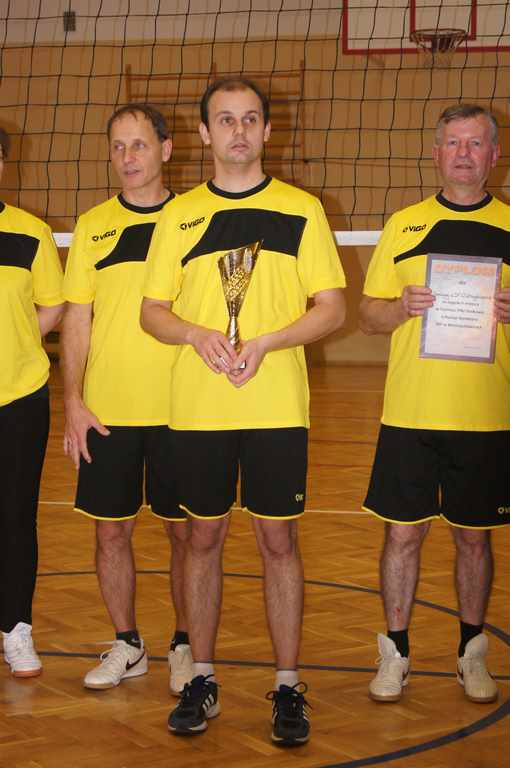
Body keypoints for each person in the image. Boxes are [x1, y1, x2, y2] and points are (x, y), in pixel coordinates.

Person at [140, 77, 346, 745]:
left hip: (276, 405)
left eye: (250, 119)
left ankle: (287, 686)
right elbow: (151, 311)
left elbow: (332, 308)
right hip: (198, 409)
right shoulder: (180, 215)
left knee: (278, 542)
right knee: (202, 540)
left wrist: (268, 343)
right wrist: (195, 334)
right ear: (204, 133)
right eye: (225, 120)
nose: (238, 130)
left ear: (266, 130)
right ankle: (201, 678)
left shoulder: (302, 209)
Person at [359, 104, 510, 705]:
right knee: (402, 535)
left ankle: (472, 653)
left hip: (486, 414)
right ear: (436, 153)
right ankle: (394, 652)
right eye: (453, 142)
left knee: (475, 540)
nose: (464, 153)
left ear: (494, 155)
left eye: (475, 143)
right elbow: (368, 316)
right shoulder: (404, 225)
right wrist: (400, 308)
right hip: (411, 413)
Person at [60, 105, 192, 693]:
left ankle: (186, 643)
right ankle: (128, 643)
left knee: (186, 535)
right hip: (107, 411)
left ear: (166, 149)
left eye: (139, 144)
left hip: (182, 409)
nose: (128, 157)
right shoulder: (93, 225)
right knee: (110, 533)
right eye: (118, 146)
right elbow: (77, 319)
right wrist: (72, 400)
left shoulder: (194, 219)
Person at [0, 126, 64, 676]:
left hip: (19, 397)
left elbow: (52, 306)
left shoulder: (30, 233)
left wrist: (19, 342)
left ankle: (15, 629)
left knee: (16, 516)